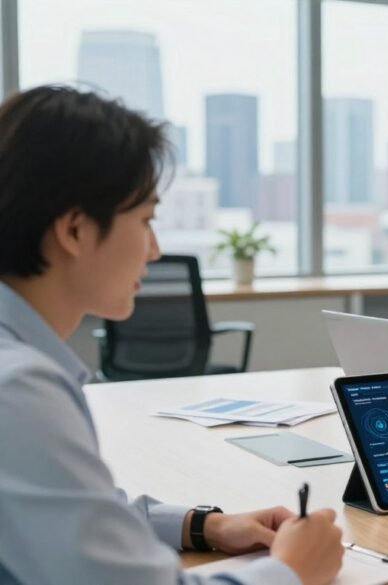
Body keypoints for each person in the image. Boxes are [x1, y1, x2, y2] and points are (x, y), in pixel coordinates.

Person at [0, 86, 343, 585]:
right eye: (145, 220)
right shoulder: (19, 391)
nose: (155, 250)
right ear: (75, 231)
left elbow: (64, 508)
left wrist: (206, 526)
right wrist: (291, 571)